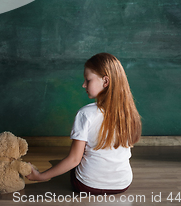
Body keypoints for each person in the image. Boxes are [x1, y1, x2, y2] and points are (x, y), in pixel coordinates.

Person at [26, 52, 142, 195]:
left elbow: (74, 159)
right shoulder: (129, 112)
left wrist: (40, 176)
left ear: (105, 81)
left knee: (74, 163)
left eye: (88, 80)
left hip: (87, 186)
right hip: (122, 184)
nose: (83, 85)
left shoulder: (85, 113)